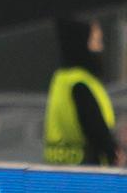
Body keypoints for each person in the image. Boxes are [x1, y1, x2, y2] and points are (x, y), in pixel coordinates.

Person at [44, 19, 124, 166]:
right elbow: (94, 125)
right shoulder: (80, 84)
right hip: (85, 169)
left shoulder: (61, 79)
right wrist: (112, 151)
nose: (101, 47)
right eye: (96, 41)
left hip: (57, 169)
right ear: (82, 44)